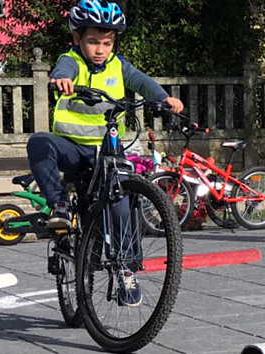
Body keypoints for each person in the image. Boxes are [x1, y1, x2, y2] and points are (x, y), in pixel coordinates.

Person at [29, 0, 183, 230]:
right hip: (72, 149)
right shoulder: (71, 61)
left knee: (120, 207)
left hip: (108, 150)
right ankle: (59, 205)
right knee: (39, 143)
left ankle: (128, 262)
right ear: (76, 38)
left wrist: (164, 98)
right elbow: (64, 69)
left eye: (107, 43)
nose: (100, 50)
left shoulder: (118, 66)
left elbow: (143, 83)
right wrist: (62, 79)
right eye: (92, 42)